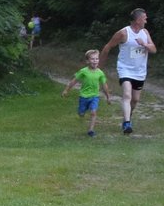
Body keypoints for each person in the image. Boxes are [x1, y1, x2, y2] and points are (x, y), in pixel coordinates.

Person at [101, 8, 157, 136]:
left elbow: (153, 49)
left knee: (135, 100)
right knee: (127, 95)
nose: (146, 21)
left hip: (140, 71)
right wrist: (99, 66)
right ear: (138, 20)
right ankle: (127, 124)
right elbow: (108, 47)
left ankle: (128, 118)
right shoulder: (123, 33)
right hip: (125, 69)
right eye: (144, 18)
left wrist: (144, 44)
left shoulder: (145, 32)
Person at [62, 48, 107, 136]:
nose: (95, 61)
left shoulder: (100, 73)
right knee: (81, 113)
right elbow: (74, 81)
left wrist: (108, 97)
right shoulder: (83, 71)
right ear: (87, 61)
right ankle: (82, 111)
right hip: (84, 96)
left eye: (97, 59)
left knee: (93, 112)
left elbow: (104, 85)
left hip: (94, 96)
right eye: (92, 59)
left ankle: (91, 130)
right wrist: (66, 90)